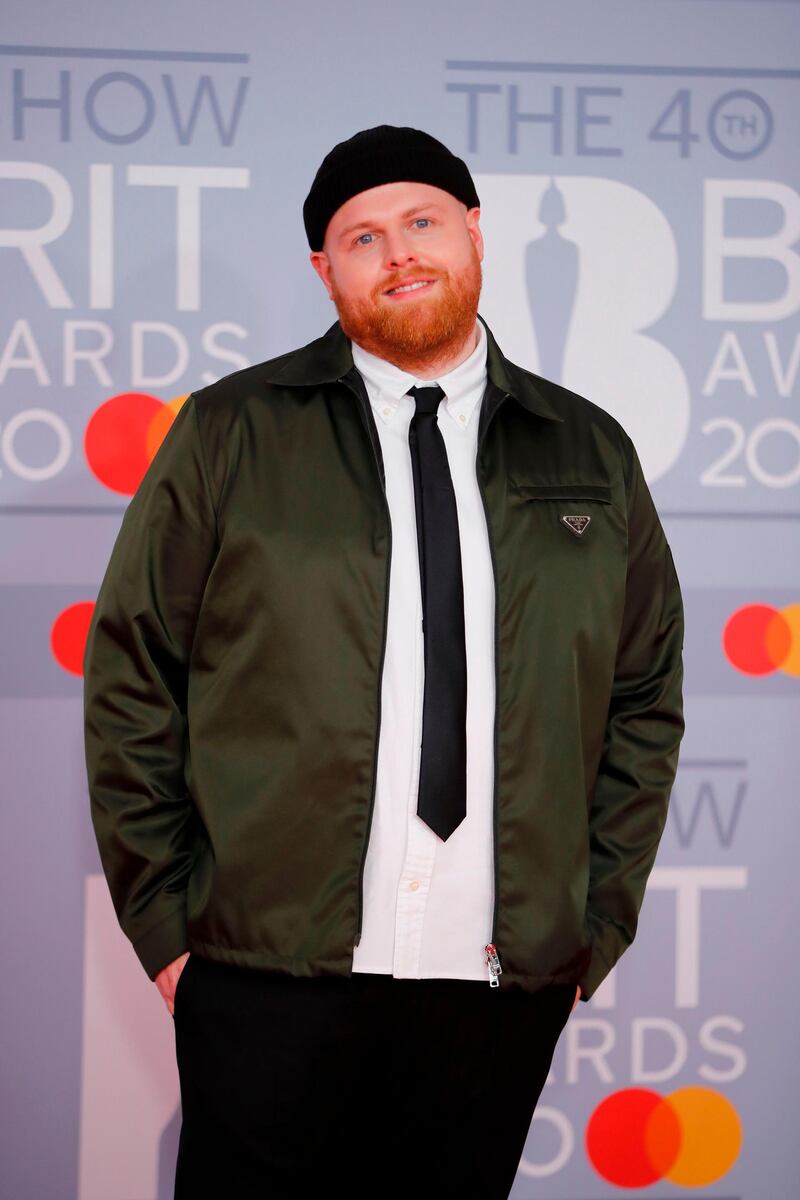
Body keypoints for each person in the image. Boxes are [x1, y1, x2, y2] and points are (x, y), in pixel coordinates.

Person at [83, 124, 685, 1199]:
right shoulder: (229, 433)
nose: (398, 252)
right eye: (361, 237)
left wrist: (591, 924)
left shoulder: (586, 449)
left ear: (475, 234)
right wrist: (170, 930)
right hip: (265, 970)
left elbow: (641, 696)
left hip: (495, 980)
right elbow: (134, 672)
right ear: (325, 272)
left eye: (421, 222)